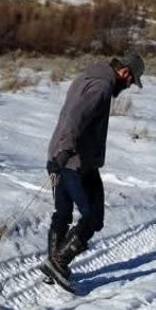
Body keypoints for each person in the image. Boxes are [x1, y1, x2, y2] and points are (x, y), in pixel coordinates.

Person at [40, 53, 145, 291]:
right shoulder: (102, 87)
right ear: (125, 73)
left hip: (59, 155)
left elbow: (70, 115)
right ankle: (58, 263)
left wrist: (59, 153)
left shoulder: (87, 76)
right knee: (93, 217)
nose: (128, 87)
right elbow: (76, 118)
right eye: (131, 82)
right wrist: (66, 150)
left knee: (63, 213)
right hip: (75, 161)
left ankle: (52, 268)